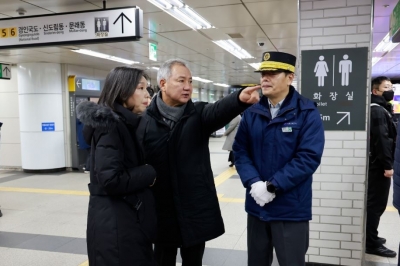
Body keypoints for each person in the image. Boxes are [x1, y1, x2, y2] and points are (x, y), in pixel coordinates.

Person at [140, 59, 260, 266]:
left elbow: (218, 110)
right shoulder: (144, 120)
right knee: (161, 259)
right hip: (161, 208)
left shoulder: (198, 114)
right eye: (181, 81)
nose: (187, 87)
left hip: (194, 206)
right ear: (163, 84)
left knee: (194, 260)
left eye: (190, 81)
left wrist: (238, 99)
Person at [233, 51, 325, 266]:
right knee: (257, 261)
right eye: (263, 73)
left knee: (291, 262)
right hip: (257, 206)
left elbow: (308, 157)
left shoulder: (307, 112)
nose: (265, 78)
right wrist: (254, 183)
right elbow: (240, 151)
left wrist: (272, 186)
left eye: (273, 73)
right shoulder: (251, 112)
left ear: (290, 77)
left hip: (290, 209)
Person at [76, 67, 158, 266]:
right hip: (116, 225)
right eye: (140, 88)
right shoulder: (112, 127)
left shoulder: (124, 123)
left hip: (122, 219)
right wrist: (149, 172)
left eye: (147, 88)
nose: (147, 94)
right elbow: (110, 179)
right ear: (122, 91)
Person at [366, 76, 397, 258]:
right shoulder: (377, 111)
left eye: (391, 86)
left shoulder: (381, 109)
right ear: (375, 91)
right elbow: (382, 140)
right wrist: (387, 165)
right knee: (375, 205)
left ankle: (372, 237)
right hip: (378, 166)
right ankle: (370, 243)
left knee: (376, 205)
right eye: (386, 87)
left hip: (377, 164)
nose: (390, 90)